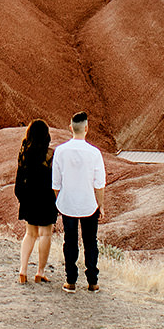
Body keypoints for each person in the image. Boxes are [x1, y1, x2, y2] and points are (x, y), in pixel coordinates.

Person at [51, 111, 105, 292]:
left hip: (68, 204)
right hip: (89, 204)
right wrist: (101, 205)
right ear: (87, 128)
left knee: (70, 242)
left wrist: (61, 201)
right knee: (91, 242)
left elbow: (56, 183)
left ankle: (71, 281)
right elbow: (99, 184)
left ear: (70, 128)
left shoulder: (60, 151)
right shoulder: (95, 153)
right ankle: (93, 282)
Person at [14, 119, 57, 283]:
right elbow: (55, 179)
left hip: (28, 197)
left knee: (30, 234)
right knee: (45, 234)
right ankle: (40, 272)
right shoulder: (51, 154)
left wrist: (21, 196)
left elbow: (20, 176)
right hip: (46, 198)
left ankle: (22, 271)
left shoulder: (23, 152)